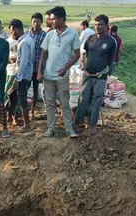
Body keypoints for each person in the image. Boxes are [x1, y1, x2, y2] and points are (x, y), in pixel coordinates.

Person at [38, 6, 81, 138]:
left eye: (53, 19)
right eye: (50, 19)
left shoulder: (72, 34)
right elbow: (43, 54)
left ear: (61, 19)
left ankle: (69, 129)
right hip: (48, 75)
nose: (51, 21)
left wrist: (66, 67)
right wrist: (40, 71)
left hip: (62, 76)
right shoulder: (50, 34)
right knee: (50, 104)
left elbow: (77, 54)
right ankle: (51, 129)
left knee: (64, 103)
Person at [75, 14, 116, 135]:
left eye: (100, 25)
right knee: (83, 98)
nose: (97, 27)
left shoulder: (111, 42)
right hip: (87, 74)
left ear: (106, 26)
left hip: (100, 76)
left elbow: (111, 60)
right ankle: (78, 123)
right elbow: (83, 52)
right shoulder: (91, 38)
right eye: (96, 25)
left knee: (97, 100)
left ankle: (92, 125)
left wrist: (102, 70)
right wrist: (82, 62)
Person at [13, 20, 35, 131]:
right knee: (19, 97)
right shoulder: (28, 39)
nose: (12, 35)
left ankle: (27, 124)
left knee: (22, 98)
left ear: (17, 30)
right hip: (27, 74)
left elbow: (24, 62)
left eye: (12, 32)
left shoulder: (24, 42)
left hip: (24, 75)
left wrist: (18, 78)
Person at [4, 19, 23, 127]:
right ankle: (8, 115)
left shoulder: (22, 41)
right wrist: (9, 60)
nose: (13, 33)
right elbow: (3, 58)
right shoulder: (7, 42)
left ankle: (16, 117)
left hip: (19, 72)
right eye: (11, 31)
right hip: (10, 72)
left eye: (15, 30)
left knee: (18, 96)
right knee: (8, 94)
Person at [27, 13, 47, 116]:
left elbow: (45, 52)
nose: (35, 24)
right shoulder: (27, 34)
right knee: (24, 88)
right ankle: (24, 110)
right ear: (31, 22)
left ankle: (33, 110)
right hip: (27, 67)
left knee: (35, 89)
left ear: (41, 22)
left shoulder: (44, 35)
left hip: (38, 68)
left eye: (38, 21)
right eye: (34, 21)